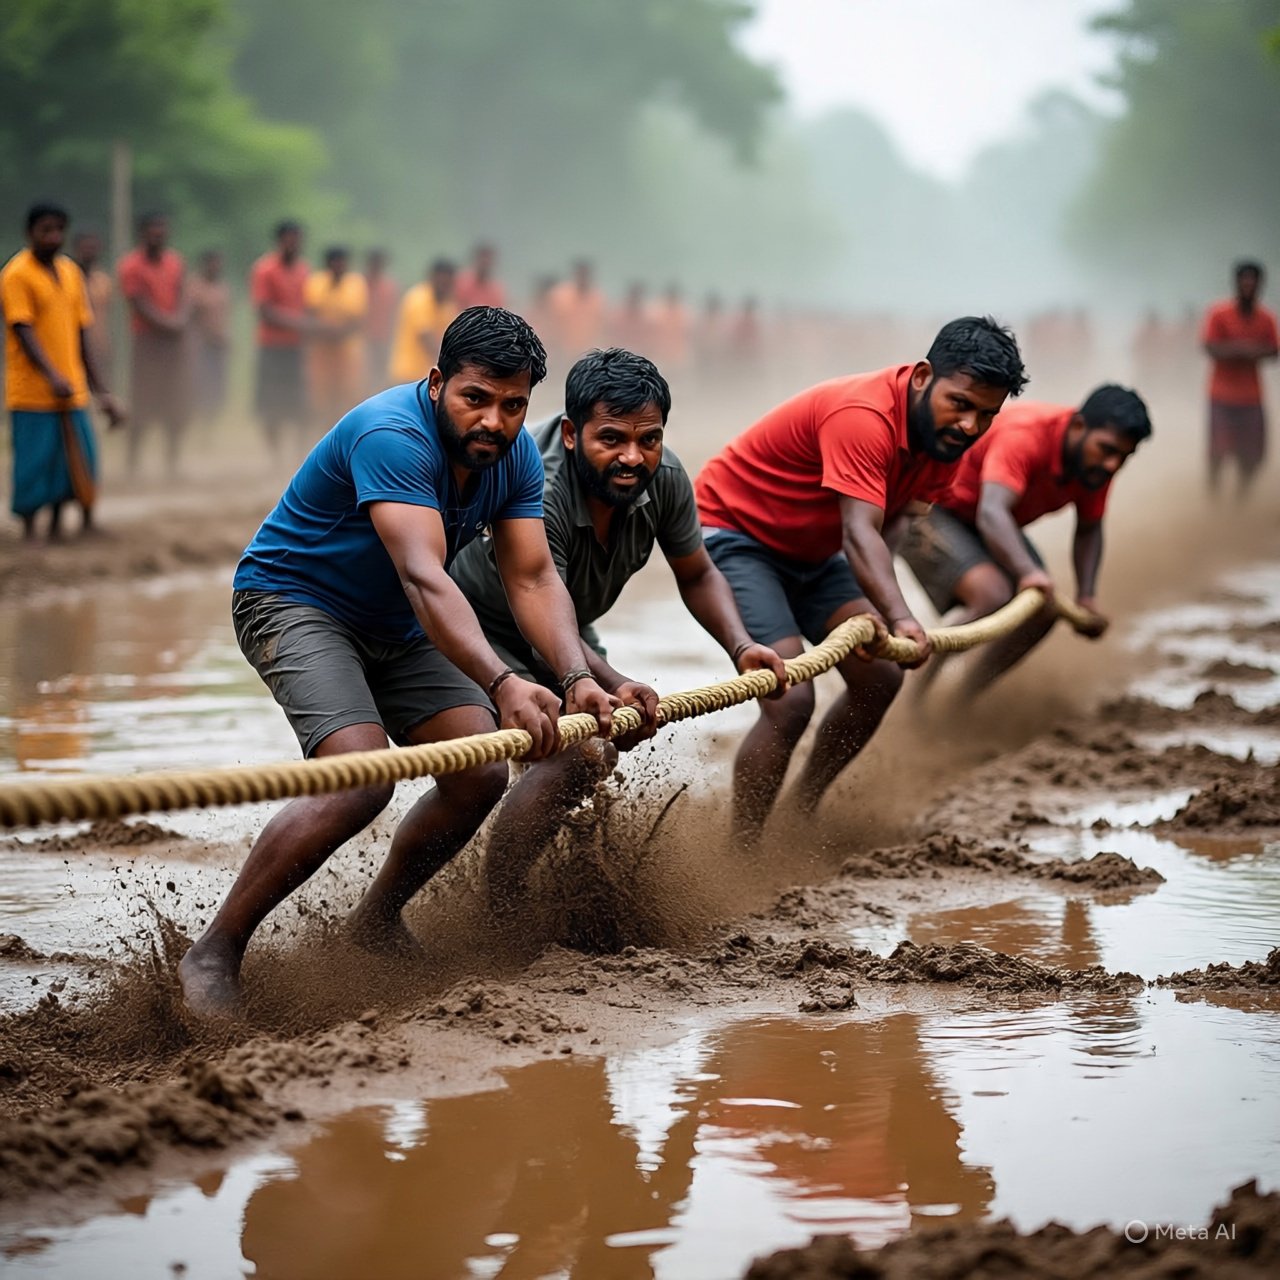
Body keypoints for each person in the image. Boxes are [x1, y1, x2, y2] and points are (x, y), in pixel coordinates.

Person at [178, 307, 653, 1017]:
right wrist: (502, 679)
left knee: (481, 767)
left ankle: (375, 922)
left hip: (397, 624)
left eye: (514, 404)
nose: (494, 421)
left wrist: (579, 678)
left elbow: (531, 577)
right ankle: (215, 949)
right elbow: (426, 578)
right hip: (295, 602)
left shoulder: (518, 457)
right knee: (357, 779)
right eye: (476, 399)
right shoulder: (392, 435)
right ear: (437, 384)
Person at [450, 348, 787, 908]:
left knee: (587, 752)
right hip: (476, 627)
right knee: (513, 763)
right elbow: (535, 596)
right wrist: (604, 682)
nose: (633, 457)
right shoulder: (541, 490)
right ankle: (499, 905)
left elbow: (698, 573)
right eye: (612, 440)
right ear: (570, 434)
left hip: (566, 628)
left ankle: (522, 885)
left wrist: (742, 645)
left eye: (648, 440)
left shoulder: (669, 478)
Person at [694, 316, 1027, 845]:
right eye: (959, 403)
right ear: (922, 377)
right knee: (790, 699)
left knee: (880, 680)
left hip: (818, 552)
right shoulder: (864, 415)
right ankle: (744, 846)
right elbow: (860, 531)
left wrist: (870, 603)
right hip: (737, 534)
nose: (969, 425)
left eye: (986, 414)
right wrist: (899, 617)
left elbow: (893, 526)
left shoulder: (946, 447)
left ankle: (801, 811)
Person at [901, 385, 1151, 701]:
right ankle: (911, 702)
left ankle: (963, 699)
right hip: (931, 508)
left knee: (1043, 610)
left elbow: (1089, 528)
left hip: (984, 519)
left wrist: (1086, 597)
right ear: (1078, 427)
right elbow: (992, 512)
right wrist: (1027, 571)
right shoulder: (1027, 433)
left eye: (1123, 457)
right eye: (1107, 450)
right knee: (991, 595)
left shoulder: (1096, 466)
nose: (1112, 465)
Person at [2, 203, 125, 539]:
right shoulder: (16, 274)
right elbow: (22, 329)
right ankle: (30, 530)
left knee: (74, 459)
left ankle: (59, 526)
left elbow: (81, 335)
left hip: (72, 389)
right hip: (31, 392)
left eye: (58, 230)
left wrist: (101, 390)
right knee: (34, 461)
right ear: (30, 233)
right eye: (46, 230)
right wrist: (51, 375)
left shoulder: (71, 272)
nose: (53, 237)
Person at [117, 211, 188, 476]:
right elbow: (137, 303)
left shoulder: (175, 262)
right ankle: (133, 462)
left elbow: (183, 294)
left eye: (162, 228)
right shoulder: (131, 265)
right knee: (142, 403)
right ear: (142, 233)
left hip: (173, 345)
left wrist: (180, 320)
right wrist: (170, 324)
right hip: (146, 343)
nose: (158, 234)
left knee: (175, 403)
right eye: (153, 229)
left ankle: (172, 462)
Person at [1201, 261, 1278, 497]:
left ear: (1260, 285)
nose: (1248, 285)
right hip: (1221, 394)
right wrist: (1247, 350)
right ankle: (1213, 497)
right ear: (1235, 282)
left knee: (1253, 454)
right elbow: (1210, 347)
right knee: (1218, 452)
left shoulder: (1266, 318)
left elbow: (1273, 351)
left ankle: (1241, 497)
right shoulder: (1219, 313)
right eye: (1244, 280)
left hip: (1251, 396)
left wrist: (1237, 350)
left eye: (1253, 280)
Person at [250, 220, 312, 455]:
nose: (293, 244)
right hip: (271, 346)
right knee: (271, 404)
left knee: (301, 402)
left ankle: (299, 452)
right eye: (288, 239)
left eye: (297, 239)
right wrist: (302, 323)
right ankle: (274, 454)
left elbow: (310, 305)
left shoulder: (305, 270)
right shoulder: (264, 269)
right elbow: (264, 310)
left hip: (297, 348)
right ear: (279, 241)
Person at [306, 246, 368, 427]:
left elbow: (358, 319)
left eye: (342, 263)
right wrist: (326, 330)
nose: (338, 266)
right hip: (321, 351)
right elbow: (311, 313)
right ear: (328, 264)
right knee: (321, 395)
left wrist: (336, 331)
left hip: (347, 351)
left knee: (348, 393)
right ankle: (323, 428)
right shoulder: (316, 283)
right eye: (335, 263)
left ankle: (344, 428)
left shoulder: (356, 284)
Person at [389, 258, 458, 385]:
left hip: (428, 375)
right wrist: (455, 365)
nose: (444, 285)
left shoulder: (448, 306)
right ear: (432, 277)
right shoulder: (418, 298)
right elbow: (427, 339)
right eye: (442, 280)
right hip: (408, 373)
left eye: (448, 281)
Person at [188, 249, 231, 428]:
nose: (215, 267)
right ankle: (197, 427)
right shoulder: (195, 288)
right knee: (200, 389)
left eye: (218, 263)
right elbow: (191, 319)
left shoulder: (223, 288)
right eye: (212, 263)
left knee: (217, 390)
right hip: (200, 348)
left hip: (218, 348)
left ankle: (209, 428)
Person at [71, 229, 114, 378]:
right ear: (76, 249)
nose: (90, 252)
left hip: (100, 346)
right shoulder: (67, 278)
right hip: (73, 347)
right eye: (86, 247)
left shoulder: (103, 281)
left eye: (93, 248)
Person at [363, 248, 399, 395]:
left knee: (379, 376)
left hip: (383, 339)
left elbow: (393, 314)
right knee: (363, 375)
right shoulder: (360, 284)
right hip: (363, 340)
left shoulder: (390, 287)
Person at [454, 242, 506, 310]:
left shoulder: (496, 291)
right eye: (483, 258)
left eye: (488, 260)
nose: (485, 263)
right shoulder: (462, 282)